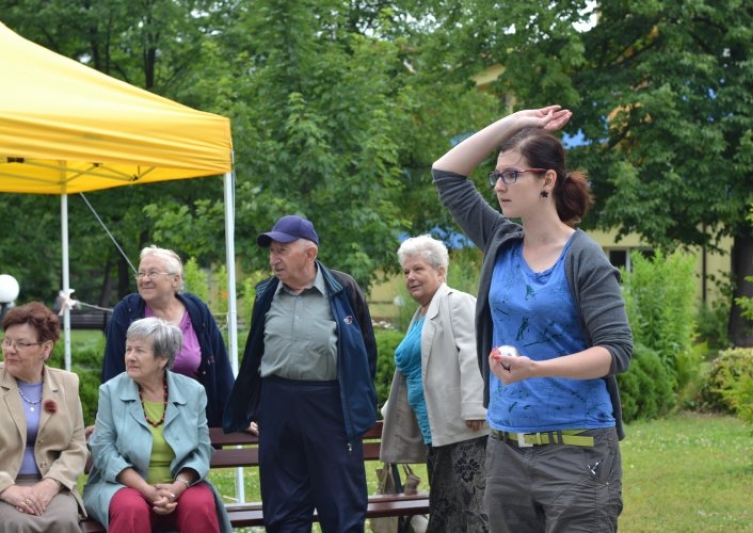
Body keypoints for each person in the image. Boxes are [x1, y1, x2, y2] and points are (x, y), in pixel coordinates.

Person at [431, 106, 633, 532]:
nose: (500, 186)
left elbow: (616, 352)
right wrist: (514, 124)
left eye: (512, 175)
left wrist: (536, 369)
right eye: (497, 176)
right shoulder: (501, 241)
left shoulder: (584, 258)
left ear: (547, 180)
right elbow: (447, 174)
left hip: (576, 451)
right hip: (506, 449)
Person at [223, 214, 378, 532]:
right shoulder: (266, 293)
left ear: (310, 253)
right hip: (278, 406)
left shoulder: (343, 289)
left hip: (329, 406)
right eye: (271, 251)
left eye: (282, 250)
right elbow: (255, 352)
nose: (274, 258)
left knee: (341, 508)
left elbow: (365, 354)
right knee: (283, 510)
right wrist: (254, 407)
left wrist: (355, 404)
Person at [380, 234, 489, 532]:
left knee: (470, 513)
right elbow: (414, 371)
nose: (410, 277)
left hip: (465, 430)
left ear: (440, 272)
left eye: (418, 269)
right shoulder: (420, 315)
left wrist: (475, 407)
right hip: (436, 433)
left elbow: (473, 354)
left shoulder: (457, 303)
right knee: (448, 511)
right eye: (406, 272)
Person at [83, 317, 231, 533]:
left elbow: (201, 449)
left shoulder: (193, 391)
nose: (130, 357)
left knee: (198, 506)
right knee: (131, 508)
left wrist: (176, 488)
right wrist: (147, 490)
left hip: (180, 482)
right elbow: (103, 450)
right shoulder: (111, 391)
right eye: (128, 349)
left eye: (139, 351)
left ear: (162, 358)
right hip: (123, 485)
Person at [101, 245, 233, 427]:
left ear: (175, 280)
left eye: (153, 273)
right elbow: (114, 369)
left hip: (194, 419)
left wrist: (233, 416)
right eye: (140, 274)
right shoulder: (127, 311)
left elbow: (219, 367)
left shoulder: (197, 311)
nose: (144, 279)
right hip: (139, 421)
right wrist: (108, 420)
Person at [0, 302, 88, 532]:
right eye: (7, 341)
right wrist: (7, 489)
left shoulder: (67, 384)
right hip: (3, 484)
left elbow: (76, 446)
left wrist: (51, 483)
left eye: (21, 344)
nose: (10, 349)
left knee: (63, 520)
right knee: (16, 523)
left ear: (46, 348)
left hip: (52, 484)